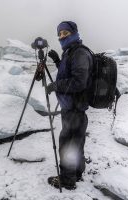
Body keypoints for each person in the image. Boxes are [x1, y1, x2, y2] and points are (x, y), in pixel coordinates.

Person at [46, 21, 93, 190]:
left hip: (74, 109)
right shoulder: (71, 52)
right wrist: (58, 61)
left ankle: (67, 179)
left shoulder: (79, 52)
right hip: (75, 108)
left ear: (74, 33)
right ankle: (78, 171)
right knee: (76, 141)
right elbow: (70, 72)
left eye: (65, 33)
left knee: (67, 144)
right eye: (59, 34)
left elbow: (79, 82)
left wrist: (56, 86)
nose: (61, 36)